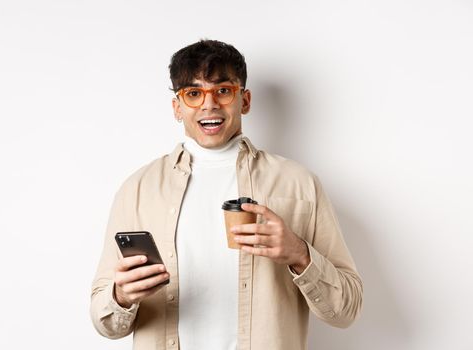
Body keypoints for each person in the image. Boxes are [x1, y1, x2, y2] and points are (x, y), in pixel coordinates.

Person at [90, 39, 363, 350]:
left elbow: (347, 310)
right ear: (177, 108)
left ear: (244, 100)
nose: (209, 105)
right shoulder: (137, 189)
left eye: (223, 90)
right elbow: (105, 322)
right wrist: (122, 296)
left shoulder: (299, 184)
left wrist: (300, 255)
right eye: (193, 94)